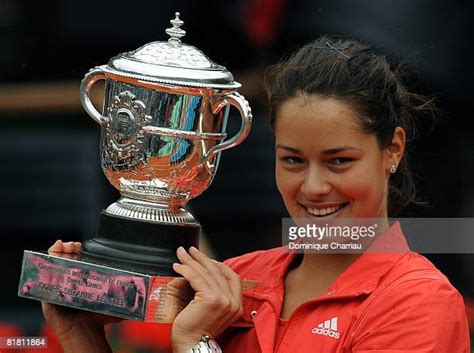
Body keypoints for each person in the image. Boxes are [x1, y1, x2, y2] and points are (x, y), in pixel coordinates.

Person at [42, 36, 470, 353]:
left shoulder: (417, 302)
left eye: (339, 161)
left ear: (392, 149)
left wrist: (196, 344)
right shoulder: (233, 282)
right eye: (293, 161)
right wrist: (83, 340)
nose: (314, 187)